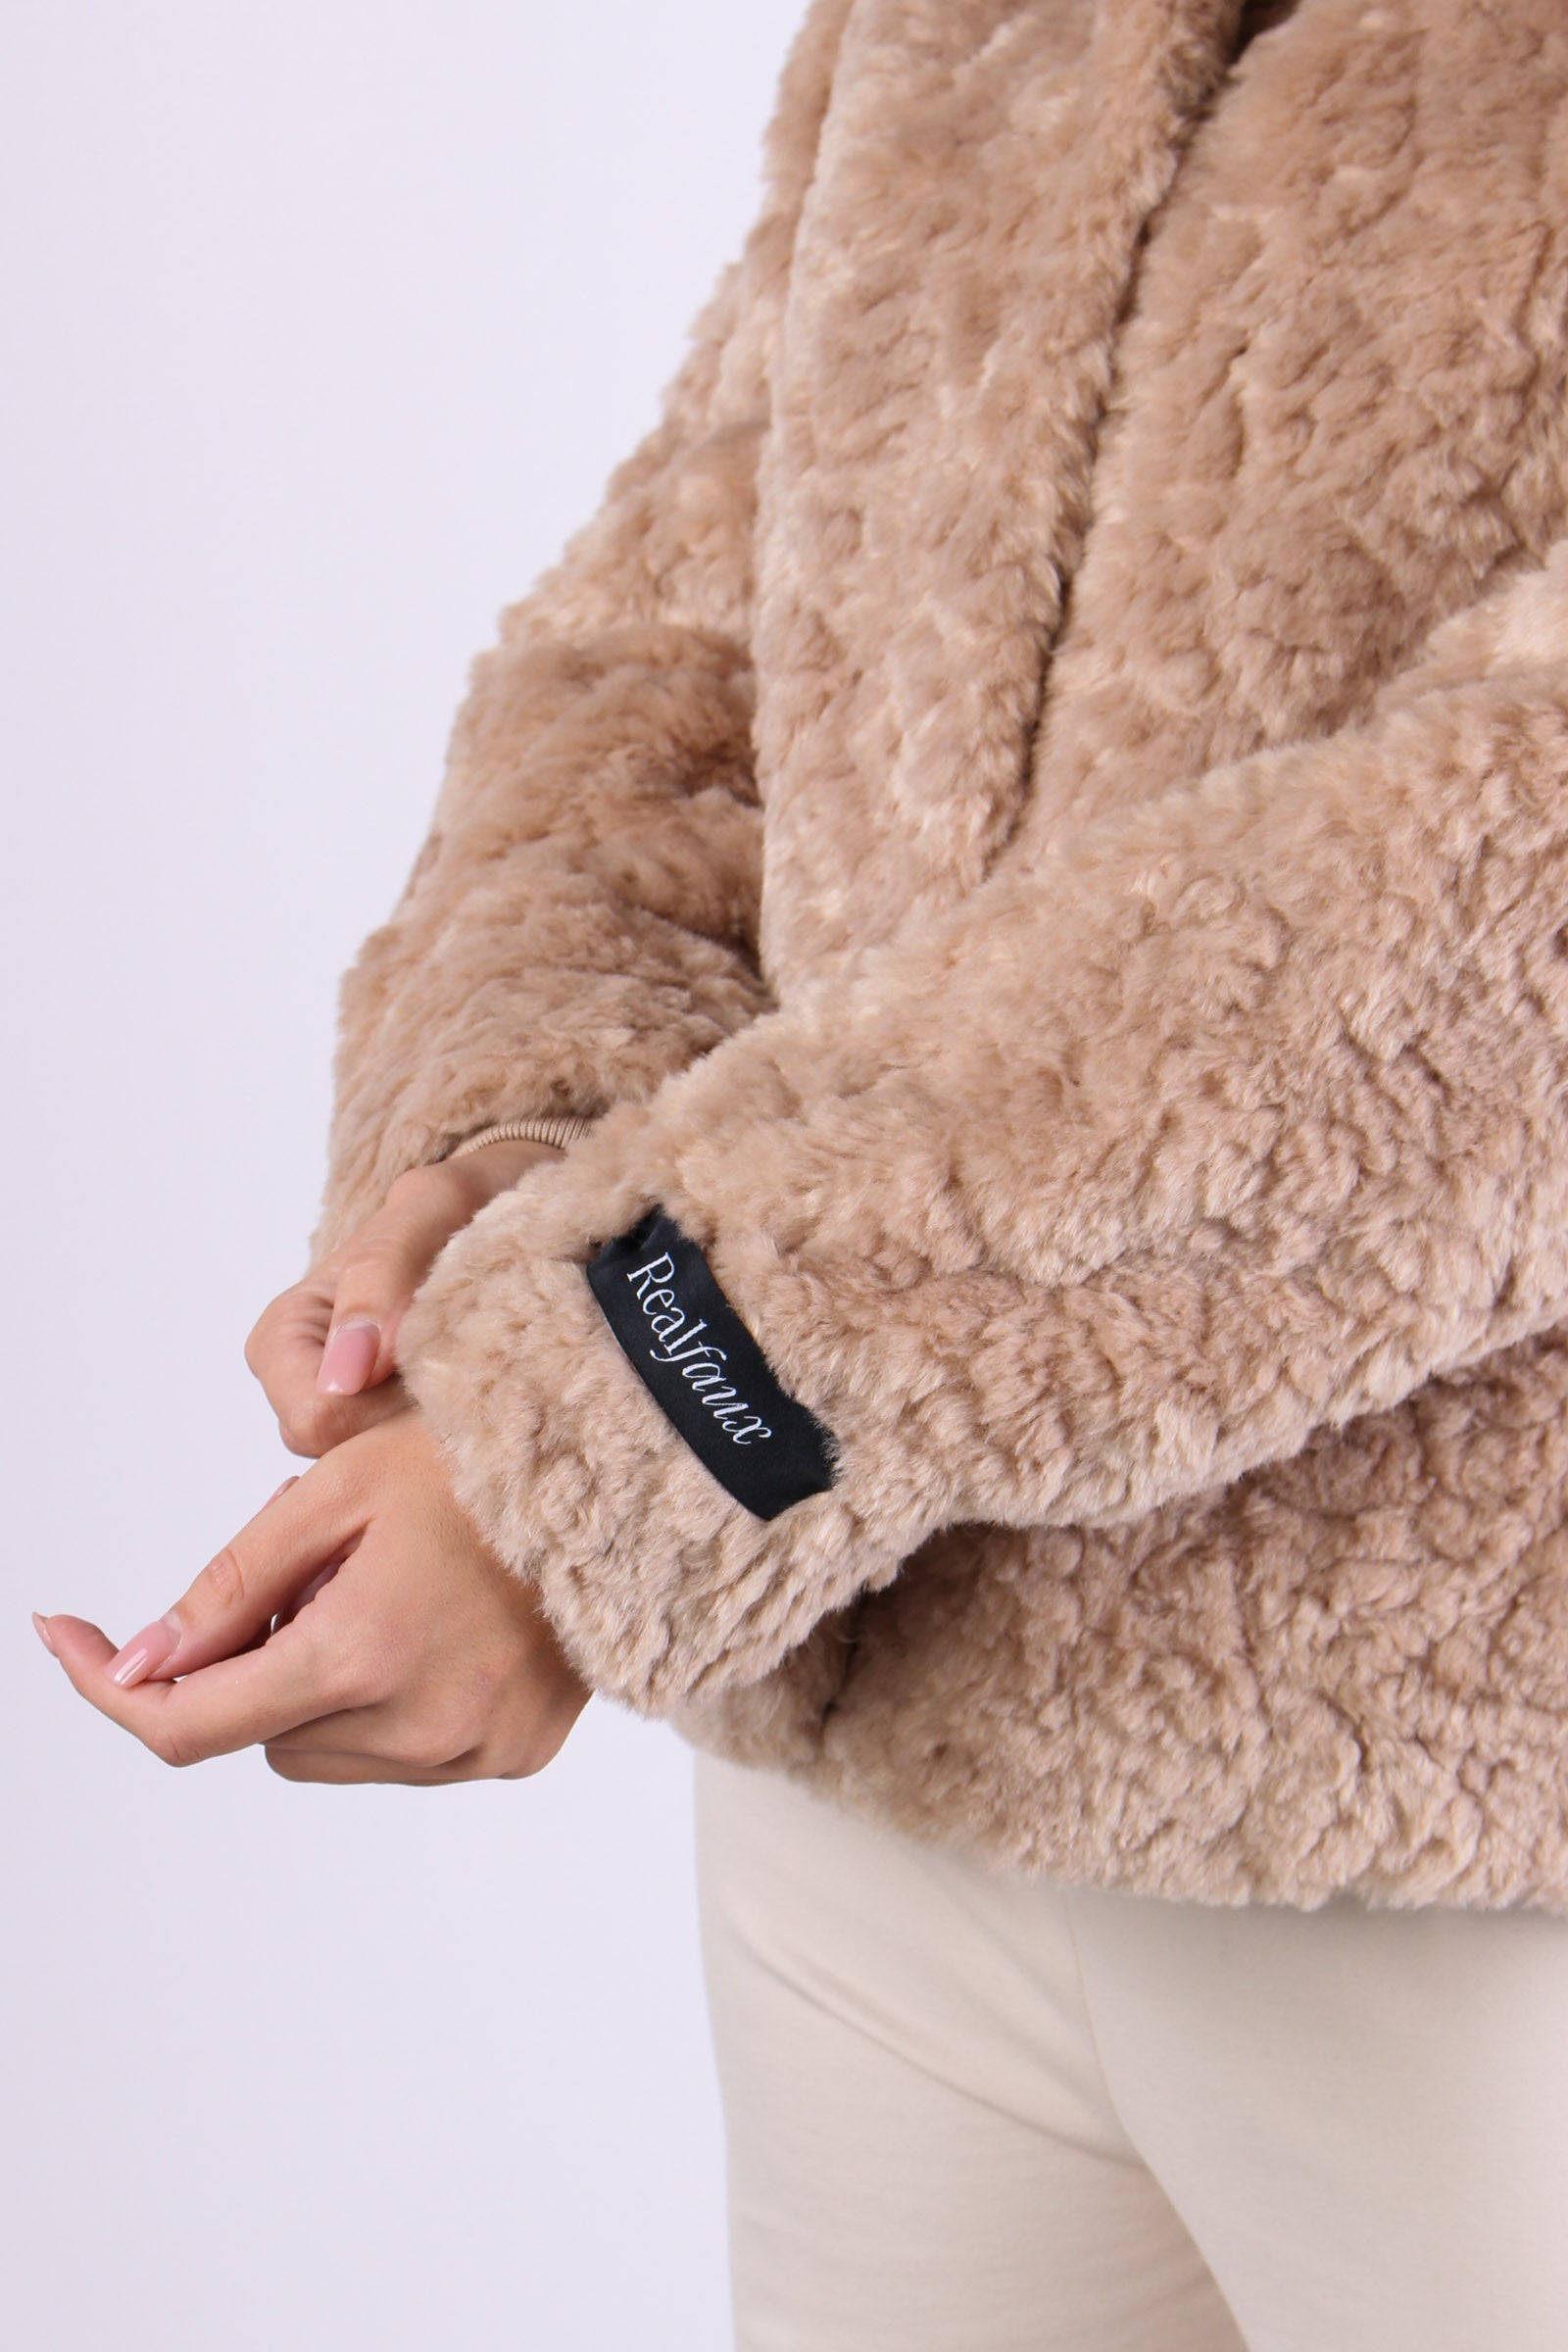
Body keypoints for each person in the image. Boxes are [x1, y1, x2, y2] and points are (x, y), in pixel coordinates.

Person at [35, 0, 1568, 2342]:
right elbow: (678, 638)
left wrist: (627, 1419)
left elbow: (1494, 918)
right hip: (881, 1767)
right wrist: (502, 1147)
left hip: (1470, 1831)